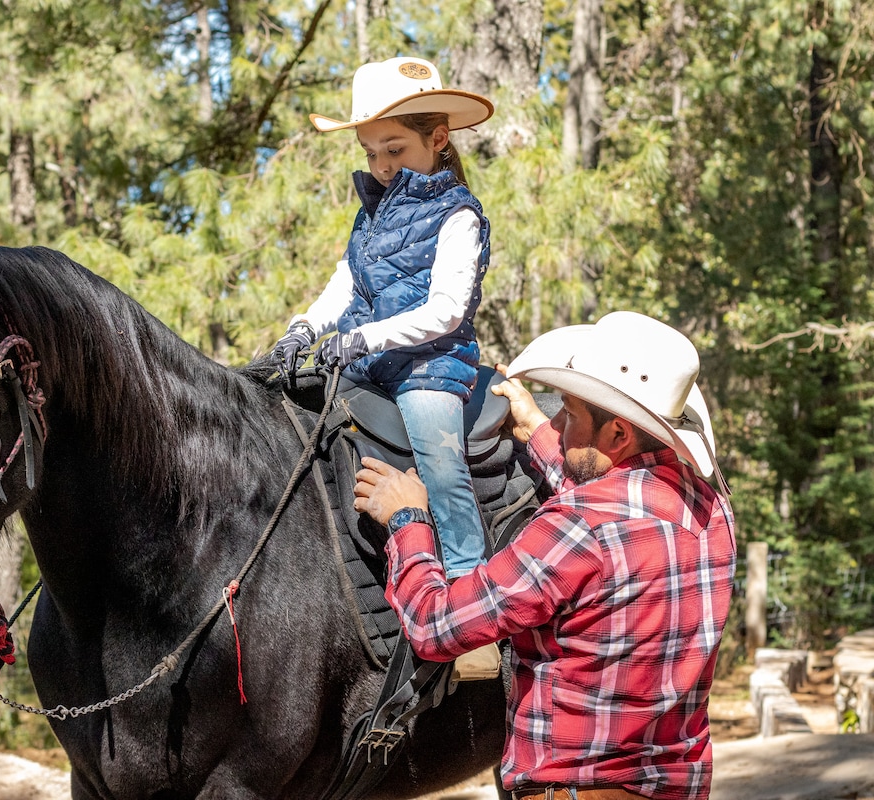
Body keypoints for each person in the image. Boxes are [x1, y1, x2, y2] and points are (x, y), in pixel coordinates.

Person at [353, 311, 737, 800]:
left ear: (618, 435)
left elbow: (436, 626)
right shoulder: (712, 510)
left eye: (570, 414)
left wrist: (408, 519)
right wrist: (537, 429)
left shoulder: (576, 529)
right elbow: (615, 505)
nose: (556, 422)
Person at [273, 55, 495, 584]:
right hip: (369, 361)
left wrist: (361, 337)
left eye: (394, 150)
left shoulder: (458, 214)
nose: (382, 165)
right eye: (371, 153)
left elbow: (446, 310)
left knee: (441, 470)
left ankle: (469, 593)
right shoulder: (372, 211)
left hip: (429, 368)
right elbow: (346, 279)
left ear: (438, 138)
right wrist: (304, 327)